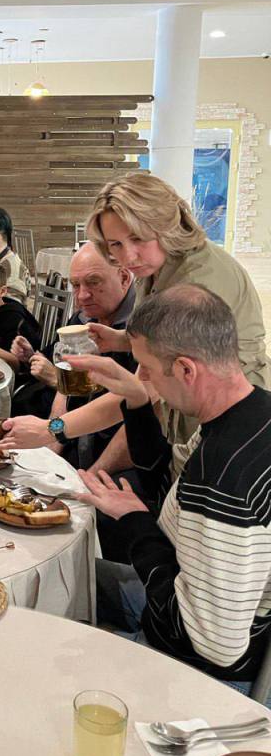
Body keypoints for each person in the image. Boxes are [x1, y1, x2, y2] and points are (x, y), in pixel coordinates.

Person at [71, 286, 271, 687]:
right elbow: (169, 482)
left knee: (50, 625)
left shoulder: (221, 476)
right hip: (191, 597)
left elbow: (215, 644)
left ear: (185, 370)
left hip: (197, 668)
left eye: (145, 368)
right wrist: (136, 401)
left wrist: (136, 525)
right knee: (64, 574)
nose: (142, 377)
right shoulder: (251, 411)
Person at [0, 172, 269, 459]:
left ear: (166, 224)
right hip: (191, 410)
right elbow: (158, 341)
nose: (128, 257)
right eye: (115, 244)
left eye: (138, 238)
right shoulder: (157, 264)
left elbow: (141, 390)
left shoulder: (194, 285)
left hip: (231, 421)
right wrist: (119, 339)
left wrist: (52, 429)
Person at [9, 243, 136, 469]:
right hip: (77, 438)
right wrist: (50, 458)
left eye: (94, 282)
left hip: (123, 458)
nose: (82, 296)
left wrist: (89, 477)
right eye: (75, 285)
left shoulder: (143, 333)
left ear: (124, 278)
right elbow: (64, 392)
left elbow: (134, 418)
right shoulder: (83, 319)